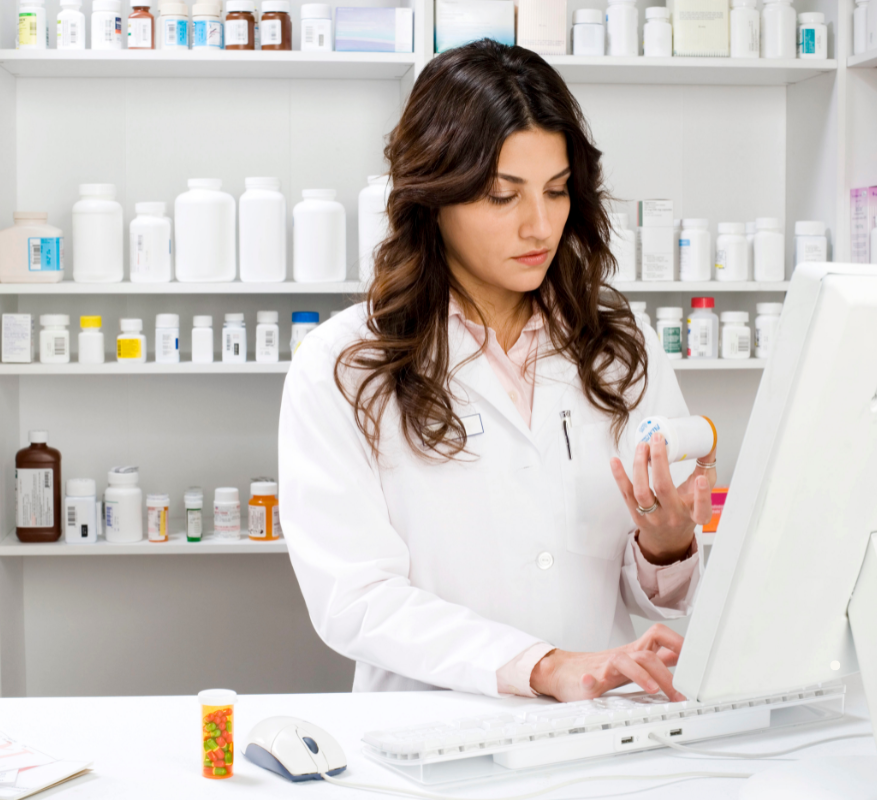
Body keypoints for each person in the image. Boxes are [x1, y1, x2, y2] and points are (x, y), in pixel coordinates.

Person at [279, 40, 716, 703]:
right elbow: (355, 598)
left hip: (598, 729)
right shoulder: (345, 365)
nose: (540, 225)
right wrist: (542, 665)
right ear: (433, 196)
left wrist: (667, 545)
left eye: (557, 190)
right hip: (429, 733)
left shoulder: (619, 347)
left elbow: (655, 591)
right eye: (500, 196)